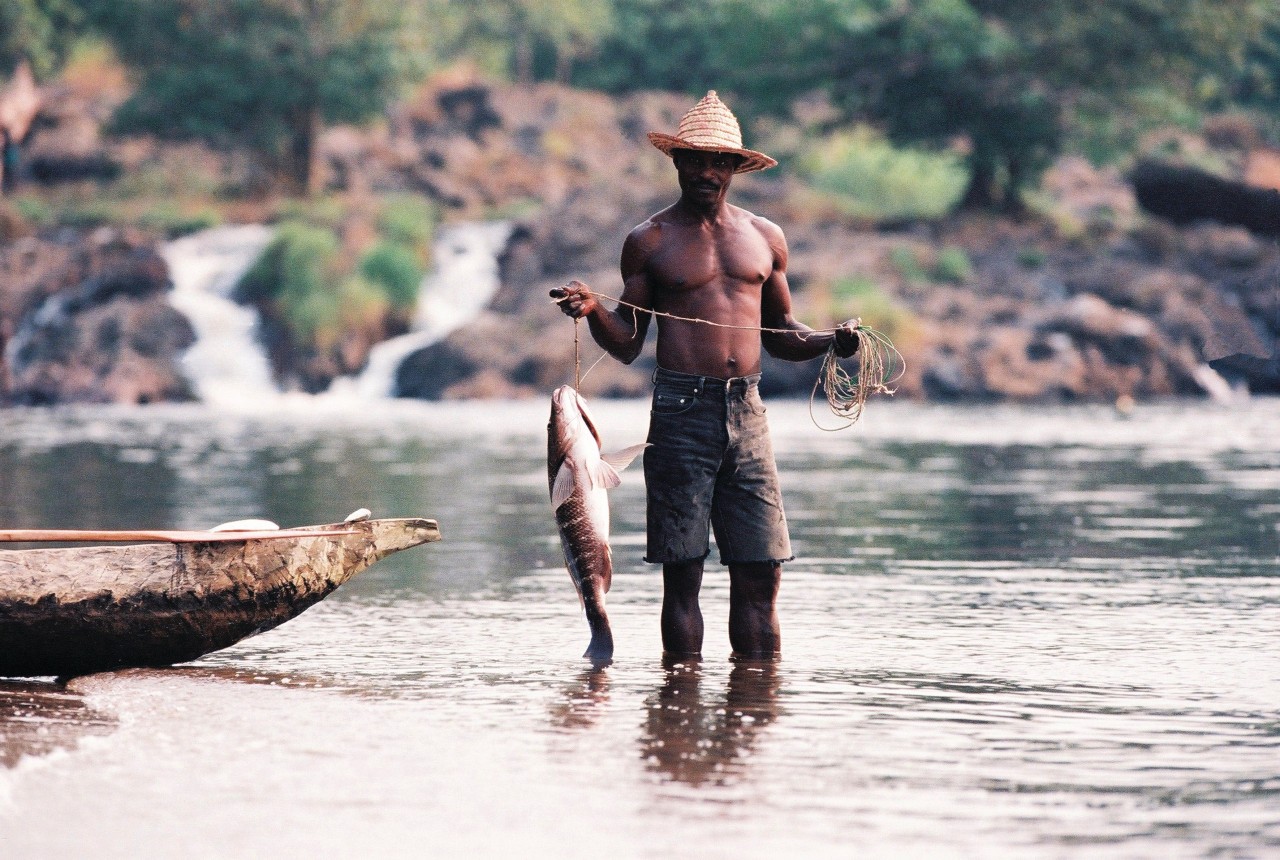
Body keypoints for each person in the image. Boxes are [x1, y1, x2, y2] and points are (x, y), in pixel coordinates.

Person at [551, 91, 859, 660]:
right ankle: (679, 714)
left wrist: (831, 342)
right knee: (683, 577)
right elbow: (626, 344)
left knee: (760, 575)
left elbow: (782, 332)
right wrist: (594, 310)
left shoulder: (766, 238)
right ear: (677, 162)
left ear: (737, 167)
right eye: (695, 159)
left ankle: (756, 706)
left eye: (720, 161)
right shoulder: (650, 241)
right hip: (679, 415)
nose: (707, 171)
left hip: (749, 416)